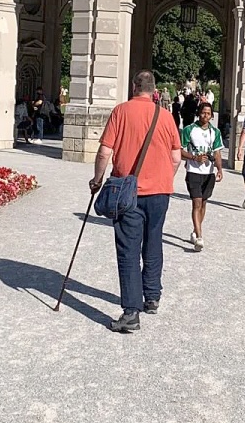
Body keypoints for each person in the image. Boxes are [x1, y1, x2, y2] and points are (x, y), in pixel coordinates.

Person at [90, 70, 181, 333]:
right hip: (160, 192)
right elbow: (176, 158)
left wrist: (97, 180)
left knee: (128, 251)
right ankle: (151, 296)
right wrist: (163, 179)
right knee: (154, 242)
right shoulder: (165, 116)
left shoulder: (121, 111)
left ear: (133, 87)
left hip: (128, 194)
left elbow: (105, 151)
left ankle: (131, 312)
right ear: (155, 91)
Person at [181, 101, 224, 249]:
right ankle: (199, 236)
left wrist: (220, 169)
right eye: (203, 112)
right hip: (193, 171)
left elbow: (217, 152)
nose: (205, 115)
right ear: (198, 114)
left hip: (208, 172)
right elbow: (179, 151)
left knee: (204, 203)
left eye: (208, 113)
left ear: (212, 116)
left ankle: (195, 230)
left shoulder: (215, 132)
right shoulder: (189, 130)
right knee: (196, 202)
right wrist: (194, 158)